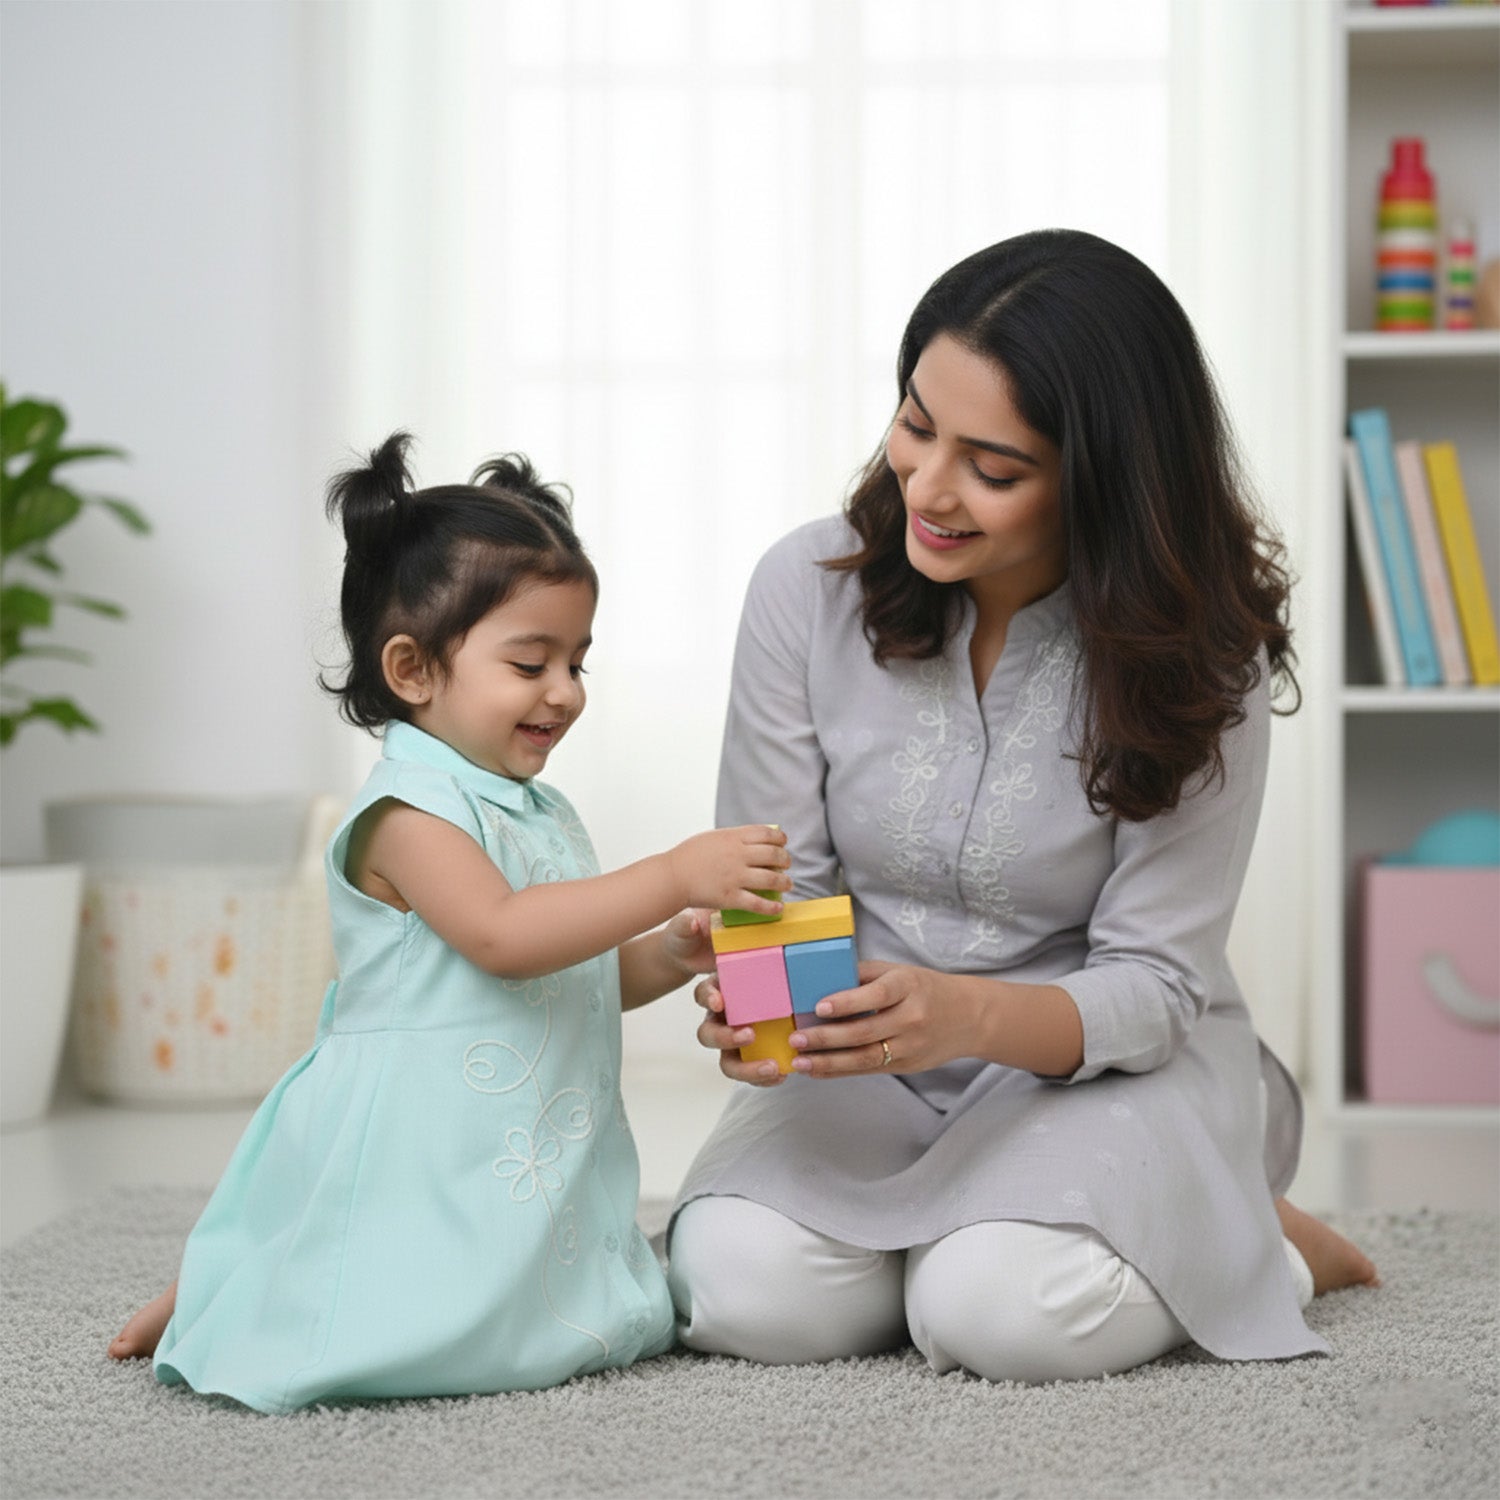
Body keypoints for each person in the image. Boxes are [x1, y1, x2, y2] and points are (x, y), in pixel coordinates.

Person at [668, 229, 1377, 1385]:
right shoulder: (806, 589)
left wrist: (968, 1019)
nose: (928, 489)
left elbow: (1153, 984)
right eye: (914, 424)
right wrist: (765, 1019)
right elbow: (779, 881)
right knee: (742, 1291)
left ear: (1104, 482)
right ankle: (1078, 1227)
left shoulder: (1202, 656)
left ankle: (1250, 1241)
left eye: (992, 468)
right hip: (868, 1062)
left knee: (998, 1314)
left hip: (1102, 1066)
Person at [107, 433, 791, 1411]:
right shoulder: (409, 814)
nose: (565, 691)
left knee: (520, 1285)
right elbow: (505, 937)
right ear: (413, 670)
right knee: (353, 1274)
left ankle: (251, 1293)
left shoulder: (536, 809)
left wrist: (670, 951)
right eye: (530, 661)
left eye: (578, 661)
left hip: (513, 1131)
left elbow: (573, 967)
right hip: (418, 1131)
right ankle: (220, 1299)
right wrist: (672, 872)